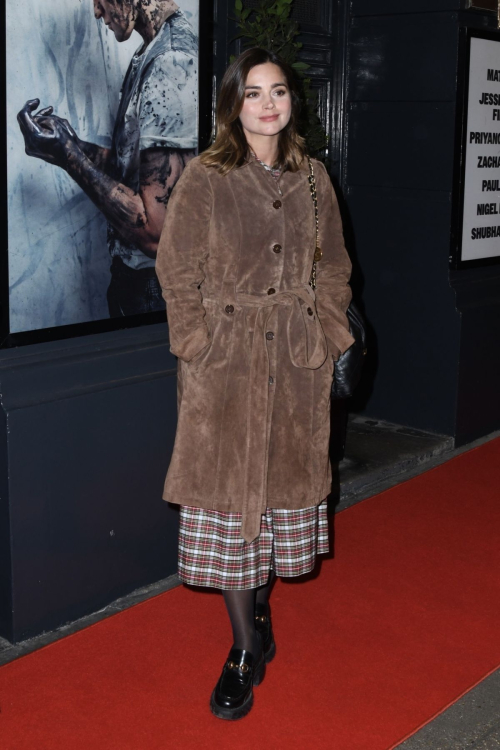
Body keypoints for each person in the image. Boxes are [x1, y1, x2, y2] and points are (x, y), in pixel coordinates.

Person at [155, 47, 355, 720]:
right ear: (232, 106)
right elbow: (175, 268)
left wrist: (327, 334)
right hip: (227, 368)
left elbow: (336, 270)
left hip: (296, 364)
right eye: (253, 94)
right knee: (230, 510)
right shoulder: (208, 178)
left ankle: (259, 614)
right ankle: (245, 648)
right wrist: (196, 341)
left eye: (278, 92)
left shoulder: (313, 180)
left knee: (272, 505)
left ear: (292, 102)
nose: (269, 104)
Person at [17, 0, 197, 318]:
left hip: (156, 287)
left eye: (99, 0)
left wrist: (70, 156)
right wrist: (68, 145)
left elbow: (157, 234)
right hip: (138, 280)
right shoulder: (152, 51)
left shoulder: (172, 62)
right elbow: (137, 174)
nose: (97, 12)